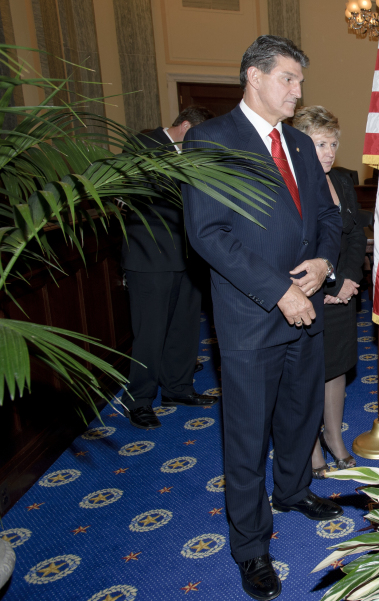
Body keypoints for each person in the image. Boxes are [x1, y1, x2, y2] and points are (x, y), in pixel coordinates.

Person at [182, 35, 344, 601]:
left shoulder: (299, 144)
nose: (299, 92)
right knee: (247, 436)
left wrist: (324, 262)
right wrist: (280, 292)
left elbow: (328, 214)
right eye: (289, 80)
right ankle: (251, 546)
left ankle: (295, 489)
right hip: (253, 314)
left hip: (309, 306)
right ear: (254, 77)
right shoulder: (211, 139)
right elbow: (208, 233)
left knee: (301, 414)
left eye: (301, 81)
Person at [121, 105, 218, 430]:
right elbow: (134, 194)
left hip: (187, 257)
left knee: (184, 328)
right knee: (150, 332)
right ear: (187, 126)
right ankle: (139, 400)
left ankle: (178, 389)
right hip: (149, 258)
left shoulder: (191, 153)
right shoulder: (142, 145)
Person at [291, 106, 365, 477]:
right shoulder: (289, 182)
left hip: (341, 294)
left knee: (336, 368)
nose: (329, 152)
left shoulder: (343, 180)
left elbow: (355, 234)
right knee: (308, 372)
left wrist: (349, 278)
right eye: (321, 143)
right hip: (306, 294)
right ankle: (308, 449)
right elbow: (294, 247)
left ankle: (333, 436)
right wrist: (329, 283)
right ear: (301, 144)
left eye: (333, 143)